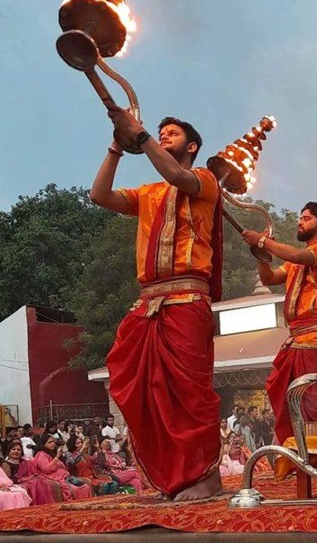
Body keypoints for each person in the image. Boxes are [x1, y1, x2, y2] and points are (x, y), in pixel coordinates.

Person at [91, 104, 223, 501]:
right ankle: (174, 478)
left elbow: (176, 175)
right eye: (160, 132)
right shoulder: (148, 193)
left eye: (173, 133)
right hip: (149, 302)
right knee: (145, 390)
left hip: (187, 299)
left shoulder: (204, 180)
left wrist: (141, 135)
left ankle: (207, 477)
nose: (164, 135)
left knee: (190, 395)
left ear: (193, 146)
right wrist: (117, 145)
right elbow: (99, 195)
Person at [242, 202, 317, 444]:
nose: (300, 222)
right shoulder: (295, 263)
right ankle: (296, 451)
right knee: (281, 392)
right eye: (300, 217)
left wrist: (263, 241)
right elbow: (269, 278)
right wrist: (261, 256)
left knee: (316, 403)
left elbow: (298, 254)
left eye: (306, 218)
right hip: (296, 339)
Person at [33, 434, 92, 501]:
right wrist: (57, 457)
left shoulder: (52, 454)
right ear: (43, 444)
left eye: (53, 442)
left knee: (86, 487)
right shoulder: (41, 454)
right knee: (76, 490)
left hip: (65, 477)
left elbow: (64, 468)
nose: (53, 443)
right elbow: (46, 469)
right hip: (53, 479)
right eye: (49, 442)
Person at [2, 440, 55, 506]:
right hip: (16, 483)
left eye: (18, 450)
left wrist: (32, 477)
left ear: (21, 452)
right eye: (13, 449)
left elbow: (33, 473)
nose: (16, 451)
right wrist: (25, 479)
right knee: (35, 483)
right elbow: (9, 479)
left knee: (41, 481)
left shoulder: (25, 462)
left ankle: (44, 506)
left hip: (28, 480)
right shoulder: (5, 464)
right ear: (9, 451)